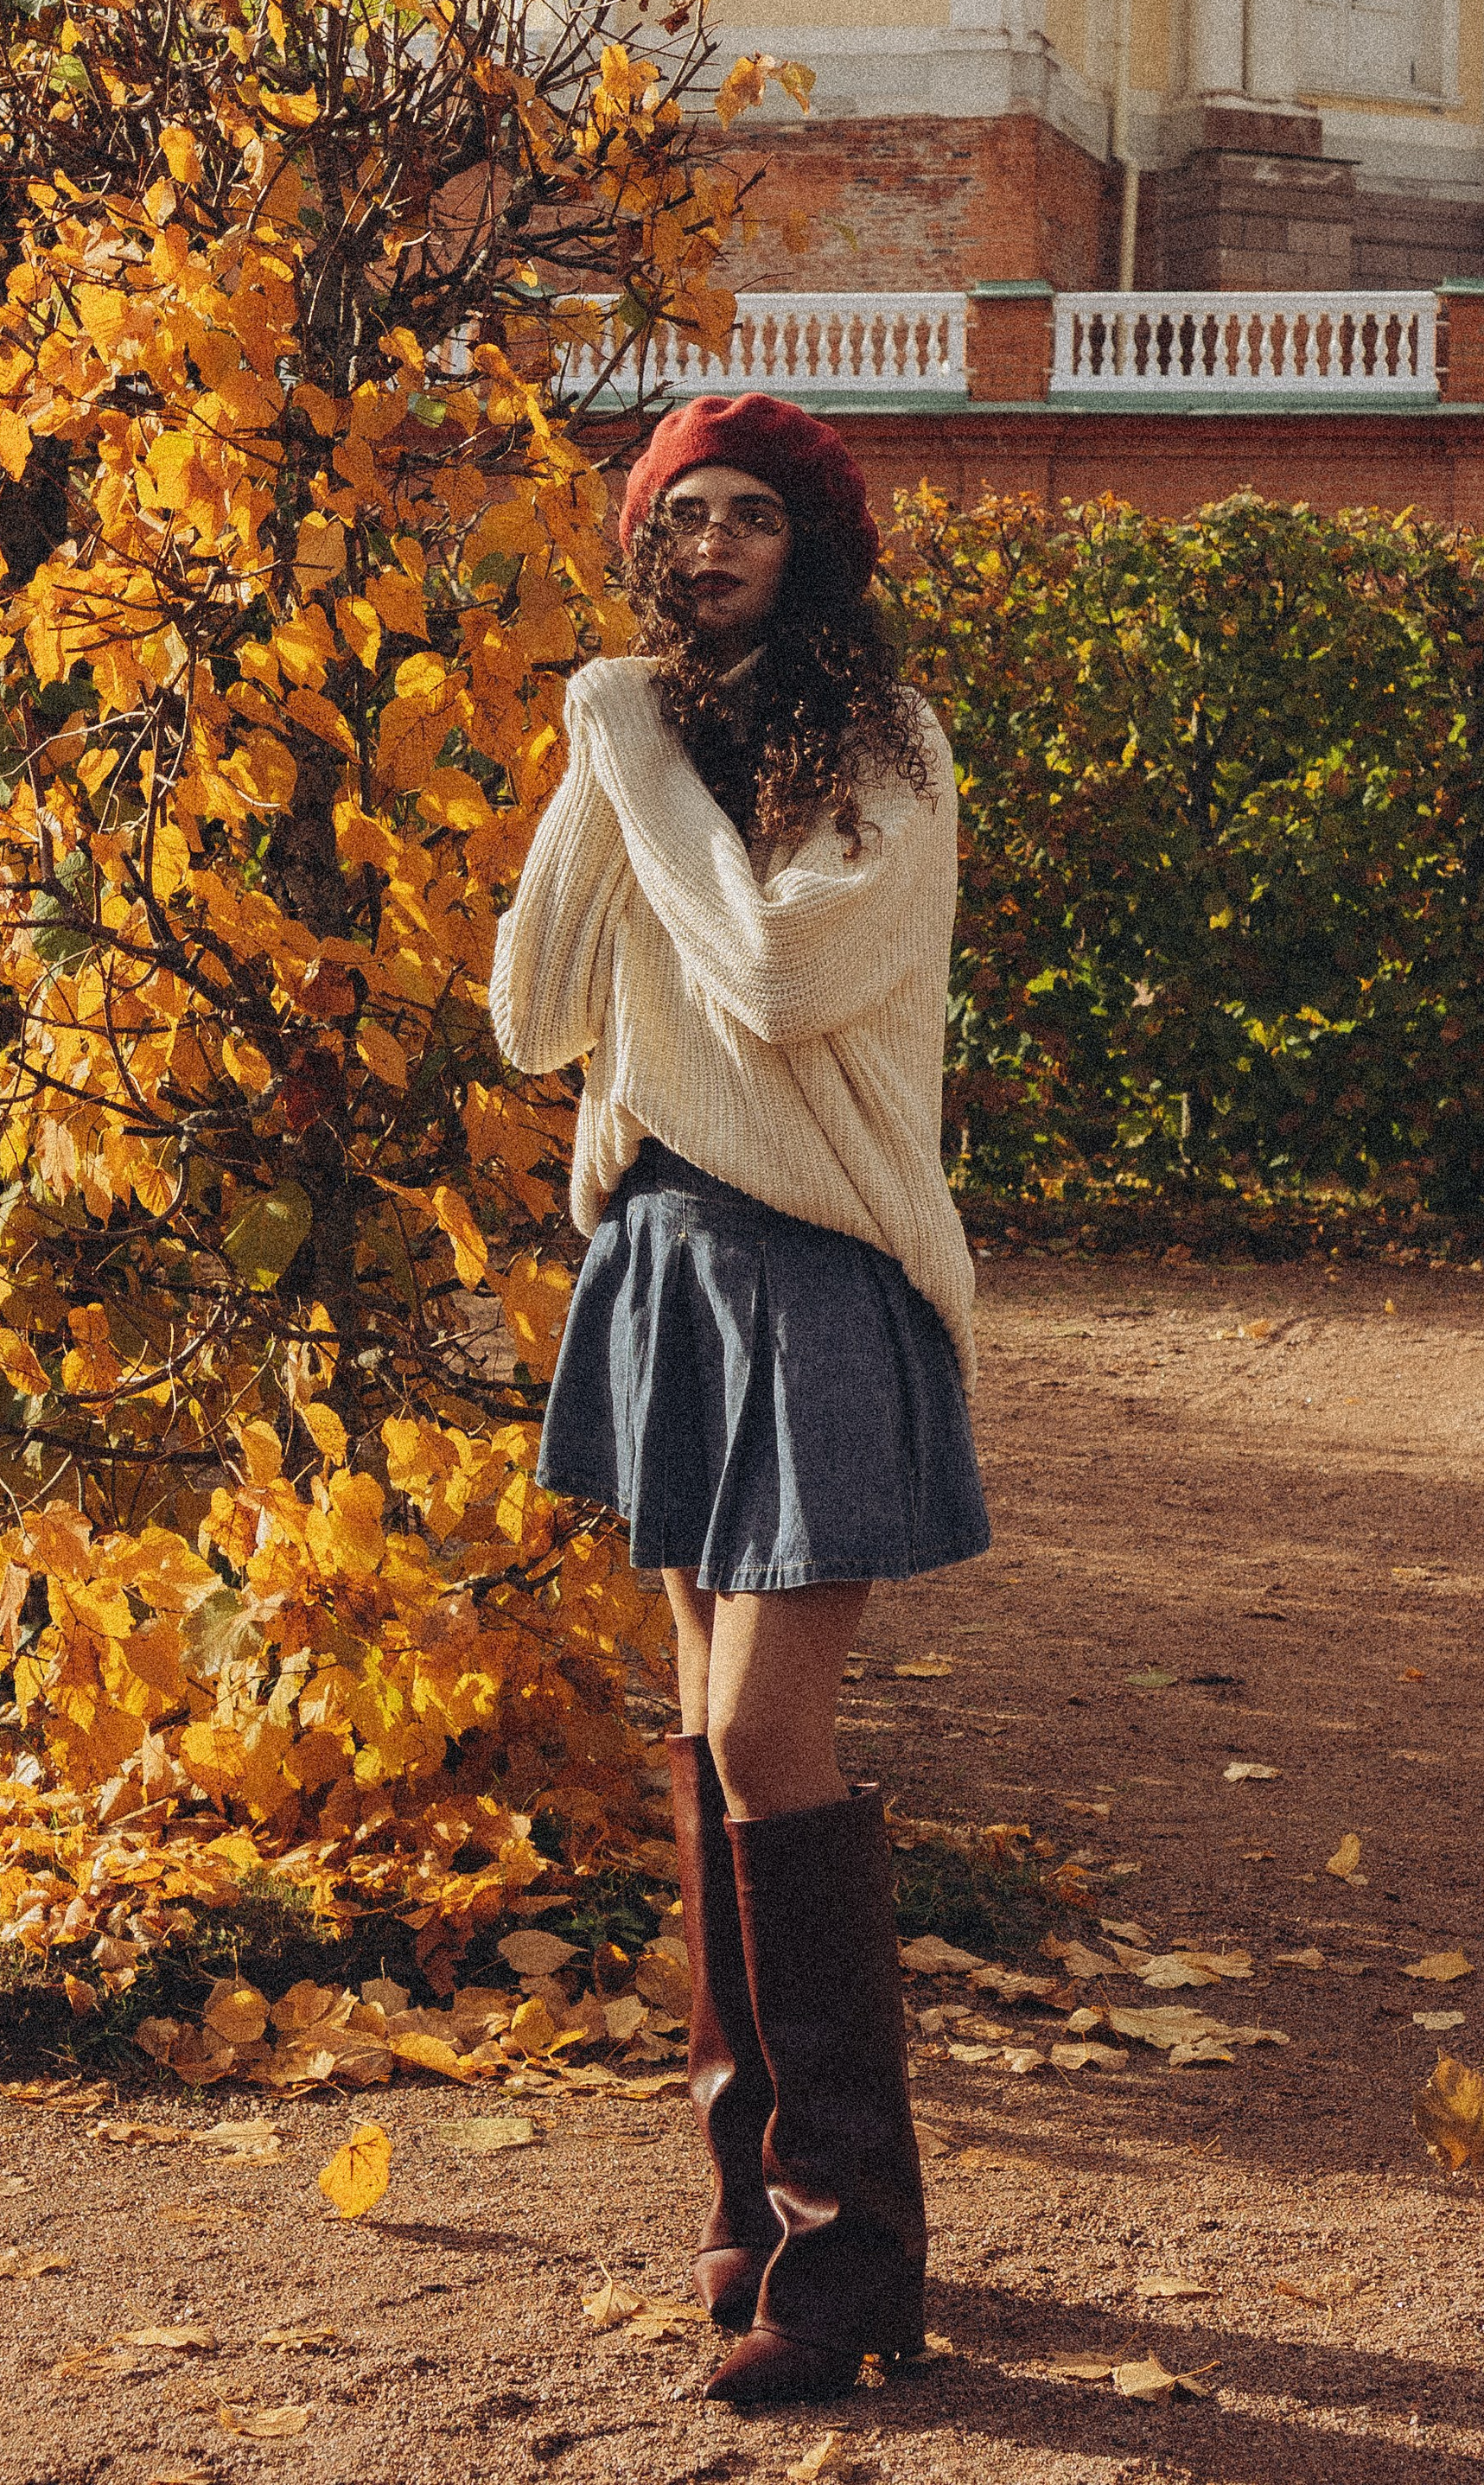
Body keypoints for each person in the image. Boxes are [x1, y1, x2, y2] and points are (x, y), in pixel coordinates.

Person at [489, 391, 987, 2408]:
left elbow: (777, 985)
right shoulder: (636, 741)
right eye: (677, 517)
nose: (704, 551)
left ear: (814, 546)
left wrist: (631, 758)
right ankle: (750, 2205)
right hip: (663, 1262)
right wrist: (610, 771)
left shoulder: (889, 753)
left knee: (775, 1738)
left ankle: (857, 2253)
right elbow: (535, 1014)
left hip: (823, 1270)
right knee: (700, 1736)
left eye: (747, 520)